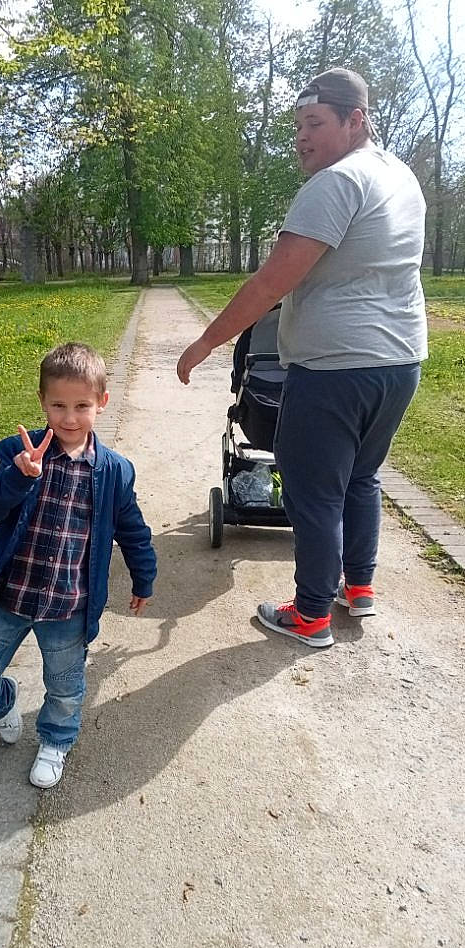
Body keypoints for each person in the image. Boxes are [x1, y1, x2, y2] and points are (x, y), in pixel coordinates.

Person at [177, 68, 427, 649]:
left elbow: (272, 282)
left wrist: (207, 342)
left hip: (337, 366)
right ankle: (357, 587)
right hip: (400, 361)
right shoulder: (400, 175)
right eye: (298, 126)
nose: (302, 138)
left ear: (355, 120)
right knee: (361, 476)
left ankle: (311, 613)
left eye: (315, 123)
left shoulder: (336, 182)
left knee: (312, 491)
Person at [0, 342, 157, 787]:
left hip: (69, 607)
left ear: (102, 402)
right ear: (42, 401)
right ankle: (2, 705)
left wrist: (144, 576)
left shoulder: (115, 471)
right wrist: (17, 476)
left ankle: (56, 740)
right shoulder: (17, 451)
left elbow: (133, 529)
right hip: (9, 596)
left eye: (81, 406)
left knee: (66, 687)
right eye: (58, 405)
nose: (69, 418)